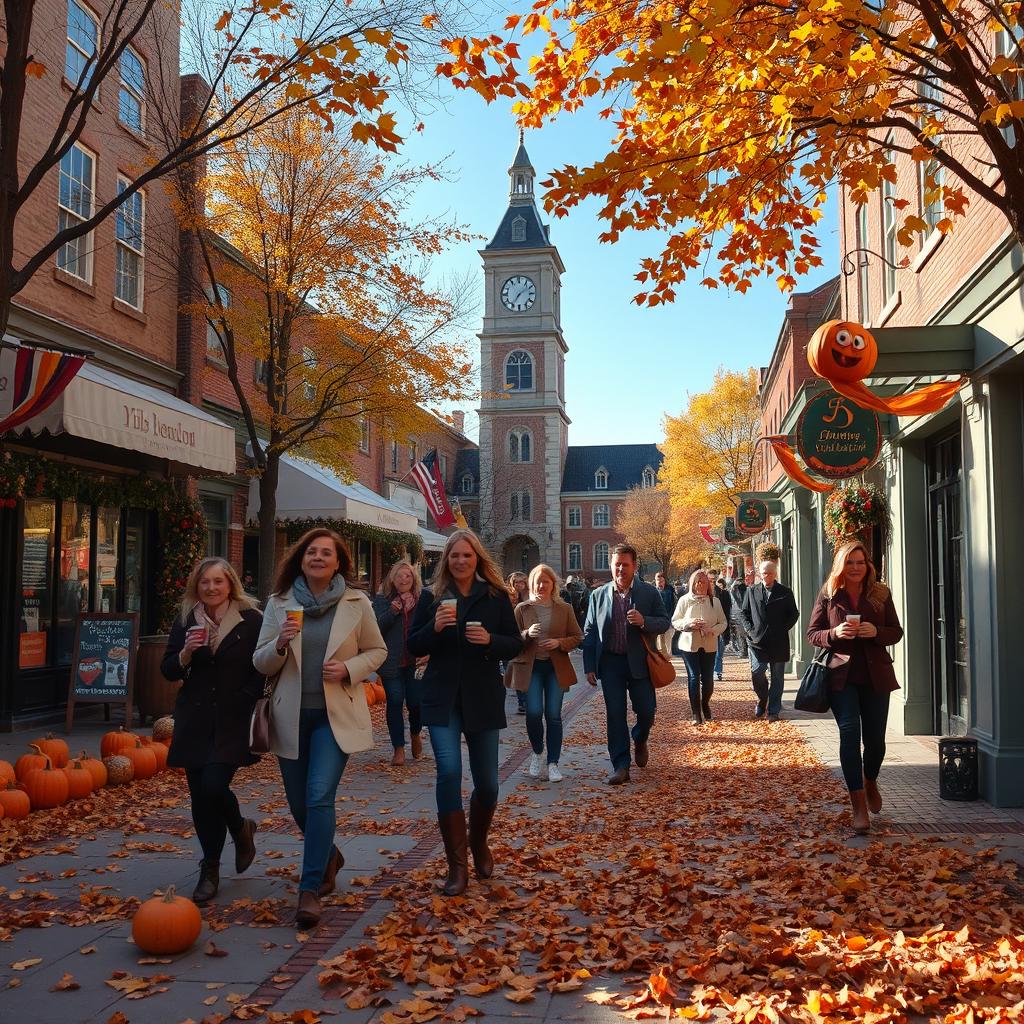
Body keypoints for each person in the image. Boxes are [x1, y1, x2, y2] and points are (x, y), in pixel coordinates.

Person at [253, 528, 387, 929]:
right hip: (290, 715)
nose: (318, 558)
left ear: (338, 562)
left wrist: (349, 669)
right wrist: (279, 644)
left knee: (318, 796)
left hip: (335, 716)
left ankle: (309, 889)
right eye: (311, 552)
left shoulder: (356, 602)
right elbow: (259, 661)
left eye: (326, 553)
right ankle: (328, 854)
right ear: (301, 558)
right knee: (298, 805)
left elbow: (377, 650)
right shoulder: (279, 604)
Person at [408, 529, 523, 895]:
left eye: (466, 555)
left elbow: (515, 644)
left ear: (477, 559)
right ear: (446, 560)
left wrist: (491, 642)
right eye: (454, 555)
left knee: (488, 783)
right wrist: (435, 627)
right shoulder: (432, 597)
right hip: (442, 696)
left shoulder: (495, 596)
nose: (460, 561)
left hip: (482, 695)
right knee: (449, 771)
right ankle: (456, 866)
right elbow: (413, 645)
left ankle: (478, 842)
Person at [161, 558, 264, 905]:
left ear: (230, 584)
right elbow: (168, 669)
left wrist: (248, 697)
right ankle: (211, 867)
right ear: (196, 585)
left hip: (233, 720)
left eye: (218, 581)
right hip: (196, 719)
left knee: (213, 784)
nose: (211, 588)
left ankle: (238, 826)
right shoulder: (187, 619)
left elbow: (261, 666)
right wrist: (187, 652)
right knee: (200, 797)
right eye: (205, 582)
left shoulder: (251, 620)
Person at [806, 540, 904, 834]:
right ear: (841, 565)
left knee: (875, 741)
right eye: (850, 562)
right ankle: (858, 806)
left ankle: (870, 779)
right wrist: (834, 632)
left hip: (876, 677)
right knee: (850, 733)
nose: (856, 568)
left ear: (867, 565)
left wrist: (876, 632)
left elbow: (896, 632)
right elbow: (813, 633)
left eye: (860, 562)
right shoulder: (829, 594)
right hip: (841, 676)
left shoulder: (880, 593)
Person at [582, 544, 671, 785]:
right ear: (611, 566)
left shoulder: (648, 593)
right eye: (616, 564)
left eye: (625, 565)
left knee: (646, 711)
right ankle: (621, 765)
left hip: (640, 662)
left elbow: (664, 622)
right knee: (615, 713)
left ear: (634, 566)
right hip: (611, 663)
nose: (620, 569)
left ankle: (640, 738)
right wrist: (589, 665)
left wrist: (644, 622)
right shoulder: (598, 596)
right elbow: (589, 631)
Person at [505, 563, 583, 782]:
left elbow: (577, 636)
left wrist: (558, 642)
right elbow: (511, 639)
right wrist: (526, 633)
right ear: (531, 584)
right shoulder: (522, 608)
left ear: (552, 584)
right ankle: (538, 752)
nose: (541, 585)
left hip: (554, 668)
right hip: (531, 667)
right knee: (533, 713)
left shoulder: (564, 608)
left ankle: (553, 763)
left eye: (545, 581)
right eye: (537, 581)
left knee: (553, 715)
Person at [372, 560, 424, 766]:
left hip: (415, 660)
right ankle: (399, 748)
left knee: (416, 702)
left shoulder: (421, 600)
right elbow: (375, 629)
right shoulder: (383, 601)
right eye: (400, 576)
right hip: (391, 662)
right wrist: (393, 612)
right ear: (392, 579)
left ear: (414, 580)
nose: (404, 579)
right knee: (394, 701)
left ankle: (415, 733)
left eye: (408, 576)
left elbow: (427, 627)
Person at [740, 560, 800, 722]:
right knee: (758, 671)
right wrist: (750, 631)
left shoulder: (785, 592)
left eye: (769, 573)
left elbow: (794, 614)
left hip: (778, 642)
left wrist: (782, 629)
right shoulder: (751, 591)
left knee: (778, 677)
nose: (765, 576)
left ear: (775, 574)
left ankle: (774, 710)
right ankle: (762, 698)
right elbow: (743, 613)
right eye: (763, 573)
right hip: (757, 641)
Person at [672, 570, 728, 724]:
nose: (701, 584)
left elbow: (723, 622)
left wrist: (713, 630)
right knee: (694, 677)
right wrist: (689, 624)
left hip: (709, 644)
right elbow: (675, 621)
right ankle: (696, 713)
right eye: (697, 581)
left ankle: (705, 704)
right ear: (692, 584)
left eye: (703, 581)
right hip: (689, 645)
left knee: (708, 680)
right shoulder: (684, 600)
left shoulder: (714, 601)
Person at [505, 572, 530, 714]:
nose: (519, 585)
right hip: (512, 638)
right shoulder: (507, 598)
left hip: (528, 638)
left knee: (526, 670)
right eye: (516, 582)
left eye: (522, 582)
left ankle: (526, 701)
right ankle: (522, 702)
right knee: (517, 670)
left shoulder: (531, 598)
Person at [730, 568, 755, 658]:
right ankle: (745, 651)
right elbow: (741, 600)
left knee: (741, 633)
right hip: (741, 612)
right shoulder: (741, 587)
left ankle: (744, 651)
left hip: (737, 613)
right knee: (745, 633)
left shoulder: (735, 587)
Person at [653, 571, 677, 657]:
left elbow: (673, 605)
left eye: (661, 581)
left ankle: (667, 659)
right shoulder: (653, 591)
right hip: (657, 621)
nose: (659, 583)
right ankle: (663, 659)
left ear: (664, 581)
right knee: (659, 642)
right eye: (657, 580)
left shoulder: (670, 591)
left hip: (668, 619)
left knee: (667, 641)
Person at [713, 576, 733, 680]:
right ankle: (714, 671)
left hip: (721, 626)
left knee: (719, 651)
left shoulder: (724, 594)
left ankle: (718, 671)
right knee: (712, 651)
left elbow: (728, 610)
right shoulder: (706, 595)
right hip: (710, 626)